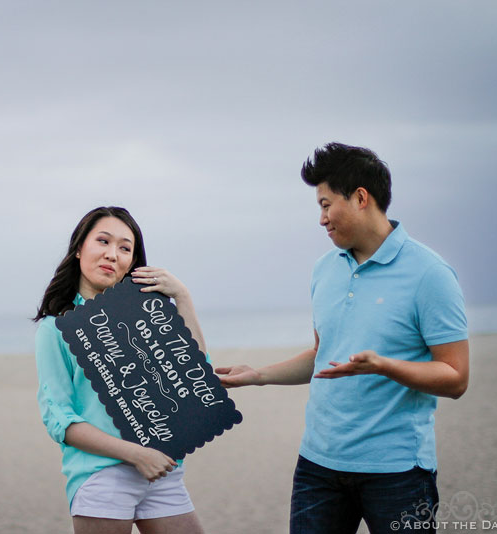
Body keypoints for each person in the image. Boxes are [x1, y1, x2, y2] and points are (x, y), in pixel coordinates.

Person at [216, 143, 469, 534]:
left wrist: (383, 366)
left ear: (361, 198)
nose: (321, 219)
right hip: (317, 467)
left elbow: (455, 378)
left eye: (325, 204)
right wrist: (258, 375)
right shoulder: (324, 270)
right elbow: (324, 356)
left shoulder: (430, 274)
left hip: (398, 472)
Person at [34, 206, 206, 534]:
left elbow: (196, 374)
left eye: (125, 248)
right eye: (103, 241)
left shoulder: (144, 317)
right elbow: (60, 419)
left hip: (162, 473)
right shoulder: (56, 328)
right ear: (79, 248)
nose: (113, 254)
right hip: (102, 475)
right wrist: (137, 454)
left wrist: (182, 296)